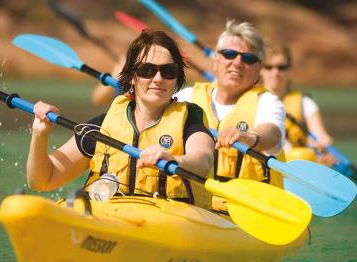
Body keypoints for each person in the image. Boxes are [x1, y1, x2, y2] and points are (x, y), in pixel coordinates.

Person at [27, 30, 215, 208]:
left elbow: (202, 159)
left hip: (171, 221)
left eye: (168, 71)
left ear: (176, 78)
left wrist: (175, 160)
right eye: (147, 70)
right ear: (132, 76)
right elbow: (43, 180)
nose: (158, 78)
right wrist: (40, 135)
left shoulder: (190, 118)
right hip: (111, 215)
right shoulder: (102, 126)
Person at [174, 20, 285, 188]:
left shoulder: (267, 102)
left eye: (248, 58)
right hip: (196, 205)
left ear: (258, 69)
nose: (238, 62)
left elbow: (271, 133)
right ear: (216, 60)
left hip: (244, 207)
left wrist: (249, 137)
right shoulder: (186, 97)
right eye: (229, 54)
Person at [260, 44, 337, 166]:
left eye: (282, 67)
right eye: (269, 67)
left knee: (303, 155)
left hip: (295, 164)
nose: (275, 72)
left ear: (289, 70)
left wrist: (322, 144)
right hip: (263, 163)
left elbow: (320, 135)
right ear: (260, 69)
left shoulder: (305, 103)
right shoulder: (252, 99)